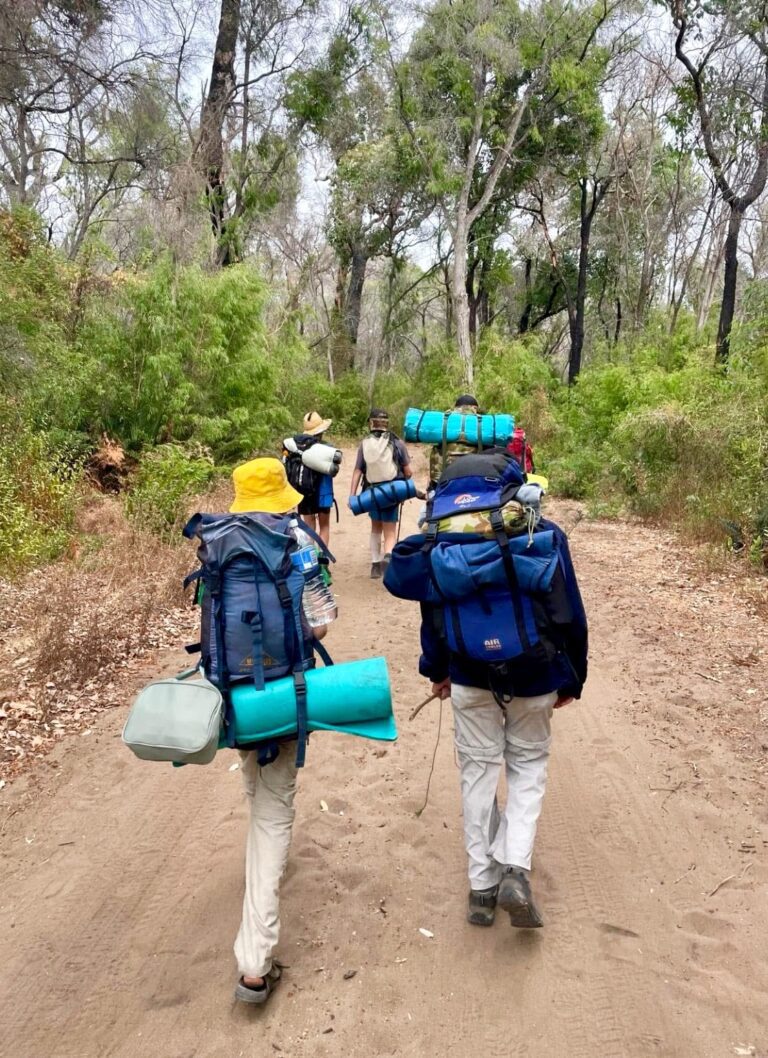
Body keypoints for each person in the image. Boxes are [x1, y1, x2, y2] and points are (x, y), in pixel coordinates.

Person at [413, 457, 588, 930]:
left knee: (477, 773)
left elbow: (431, 613)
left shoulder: (439, 535)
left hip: (469, 672)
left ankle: (482, 889)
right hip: (534, 672)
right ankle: (515, 865)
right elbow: (568, 607)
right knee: (527, 767)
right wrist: (573, 675)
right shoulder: (537, 528)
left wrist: (437, 669)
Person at [227, 457, 333, 1004]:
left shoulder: (219, 542)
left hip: (234, 695)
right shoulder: (299, 541)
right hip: (285, 693)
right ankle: (254, 962)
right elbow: (322, 620)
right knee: (273, 814)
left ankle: (258, 865)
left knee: (255, 782)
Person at [349, 408, 415, 579]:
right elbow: (408, 471)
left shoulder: (364, 444)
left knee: (375, 527)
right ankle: (388, 557)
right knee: (390, 531)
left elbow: (358, 470)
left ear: (371, 423)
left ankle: (375, 565)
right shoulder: (397, 443)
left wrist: (352, 495)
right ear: (387, 423)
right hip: (391, 492)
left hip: (371, 492)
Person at [284, 411, 335, 547]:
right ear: (321, 431)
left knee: (309, 526)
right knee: (324, 526)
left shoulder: (297, 448)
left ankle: (310, 561)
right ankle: (323, 561)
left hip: (304, 491)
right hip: (323, 492)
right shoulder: (327, 448)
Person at [427, 394, 486, 491]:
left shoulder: (444, 425)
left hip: (445, 484)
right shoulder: (482, 426)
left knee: (429, 503)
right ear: (475, 408)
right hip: (476, 484)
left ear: (456, 408)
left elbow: (435, 468)